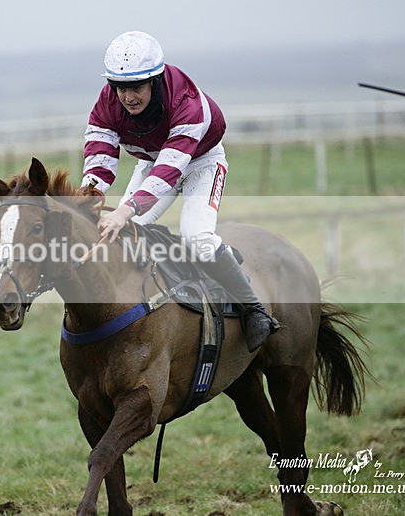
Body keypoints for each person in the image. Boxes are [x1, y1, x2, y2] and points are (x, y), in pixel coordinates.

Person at [81, 31, 277, 352]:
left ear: (155, 80)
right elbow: (100, 155)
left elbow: (171, 170)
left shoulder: (185, 102)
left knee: (196, 238)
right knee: (129, 233)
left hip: (201, 161)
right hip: (153, 159)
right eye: (121, 88)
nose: (128, 97)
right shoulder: (107, 102)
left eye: (136, 88)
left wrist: (124, 209)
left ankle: (255, 310)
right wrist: (89, 195)